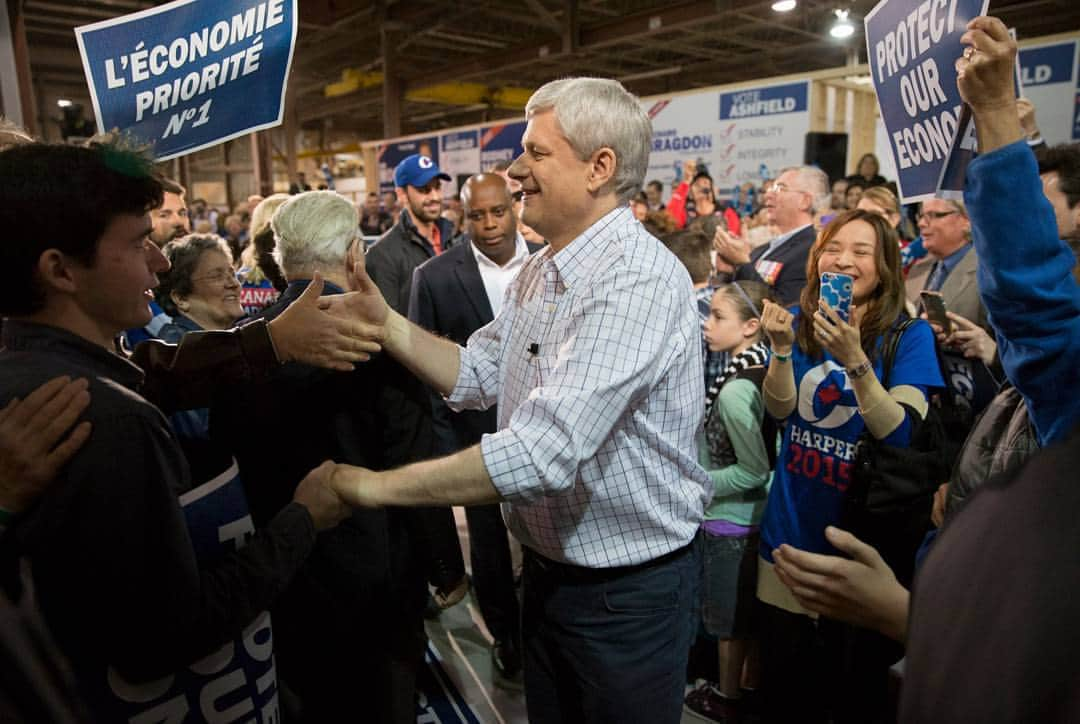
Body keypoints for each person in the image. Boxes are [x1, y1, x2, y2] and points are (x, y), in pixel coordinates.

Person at [327, 76, 709, 724]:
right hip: (551, 580)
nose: (514, 171)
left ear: (600, 167)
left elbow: (540, 456)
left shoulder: (635, 281)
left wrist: (369, 489)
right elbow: (478, 370)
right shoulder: (543, 267)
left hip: (627, 598)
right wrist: (385, 324)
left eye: (534, 152)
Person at [0, 140, 350, 721]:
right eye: (140, 243)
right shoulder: (106, 421)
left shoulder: (36, 371)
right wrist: (303, 519)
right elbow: (164, 635)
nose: (160, 264)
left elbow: (150, 372)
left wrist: (268, 340)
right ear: (60, 269)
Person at [215, 190, 433, 722]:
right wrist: (442, 563)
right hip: (377, 585)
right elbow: (417, 470)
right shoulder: (382, 342)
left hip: (280, 570)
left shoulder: (239, 345)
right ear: (356, 252)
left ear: (282, 257)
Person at [755, 208, 943, 723]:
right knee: (782, 690)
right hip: (789, 533)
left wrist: (856, 360)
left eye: (862, 252)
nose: (845, 260)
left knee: (846, 696)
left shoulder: (909, 337)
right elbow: (779, 410)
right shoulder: (799, 320)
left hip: (859, 548)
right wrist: (779, 350)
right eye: (834, 249)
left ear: (884, 266)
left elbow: (899, 430)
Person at [408, 172, 543, 687]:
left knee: (544, 545)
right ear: (462, 216)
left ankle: (540, 634)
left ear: (515, 207)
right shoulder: (435, 276)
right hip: (477, 441)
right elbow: (429, 374)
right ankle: (506, 638)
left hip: (547, 431)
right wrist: (443, 447)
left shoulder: (550, 261)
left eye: (498, 212)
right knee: (488, 546)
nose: (488, 225)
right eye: (476, 215)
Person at [683, 280, 777, 724]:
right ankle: (749, 686)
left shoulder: (738, 389)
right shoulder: (759, 368)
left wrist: (697, 482)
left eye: (719, 316)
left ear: (751, 326)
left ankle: (727, 695)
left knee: (728, 624)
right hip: (747, 515)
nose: (708, 323)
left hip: (732, 518)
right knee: (744, 619)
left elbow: (753, 469)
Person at [365, 154, 456, 315]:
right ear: (402, 195)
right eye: (424, 190)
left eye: (437, 187)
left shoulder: (453, 239)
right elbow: (388, 325)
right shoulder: (382, 254)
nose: (434, 197)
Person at [730, 166, 828, 305]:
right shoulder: (762, 249)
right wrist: (729, 268)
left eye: (780, 188)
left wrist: (742, 263)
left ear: (805, 201)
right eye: (770, 189)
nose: (768, 195)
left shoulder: (811, 251)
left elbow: (781, 309)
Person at [668, 161, 741, 236]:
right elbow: (670, 222)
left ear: (714, 190)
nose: (701, 187)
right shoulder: (685, 214)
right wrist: (686, 183)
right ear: (690, 194)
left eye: (705, 183)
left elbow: (733, 240)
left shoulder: (727, 214)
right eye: (697, 184)